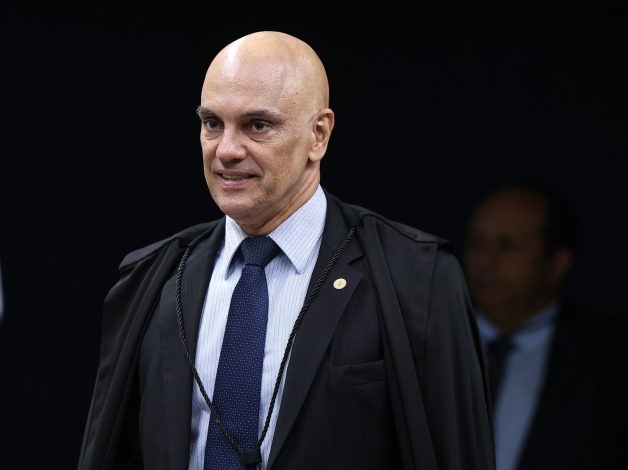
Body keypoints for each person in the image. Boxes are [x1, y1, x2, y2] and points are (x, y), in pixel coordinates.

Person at [79, 31, 493, 470]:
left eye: (257, 125)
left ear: (319, 135)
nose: (226, 150)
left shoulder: (418, 279)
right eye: (212, 123)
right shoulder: (152, 281)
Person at [464, 183, 622, 470]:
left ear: (557, 263)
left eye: (507, 245)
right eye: (477, 242)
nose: (485, 260)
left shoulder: (609, 358)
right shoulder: (419, 344)